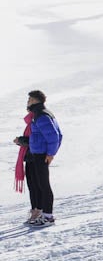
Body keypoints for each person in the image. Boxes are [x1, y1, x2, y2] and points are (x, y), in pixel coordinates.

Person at [14, 90, 61, 227]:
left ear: (35, 100)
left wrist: (51, 154)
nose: (27, 102)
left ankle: (48, 217)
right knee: (37, 185)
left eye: (29, 100)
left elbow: (55, 137)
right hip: (36, 153)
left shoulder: (42, 116)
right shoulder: (38, 115)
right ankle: (41, 213)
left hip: (41, 155)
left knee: (43, 186)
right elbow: (38, 137)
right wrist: (23, 141)